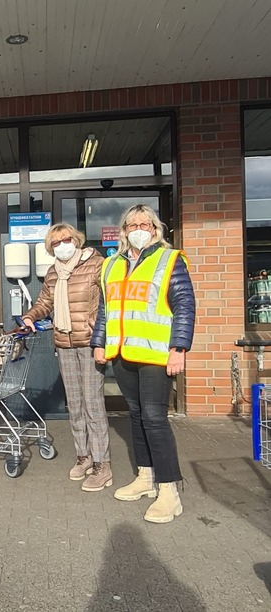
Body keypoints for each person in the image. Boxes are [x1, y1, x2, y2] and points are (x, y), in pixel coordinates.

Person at [91, 204, 195, 523]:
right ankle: (146, 478)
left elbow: (185, 305)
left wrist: (179, 348)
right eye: (132, 224)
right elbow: (105, 310)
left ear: (155, 229)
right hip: (123, 354)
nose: (138, 228)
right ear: (123, 231)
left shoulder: (170, 260)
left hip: (156, 355)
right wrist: (99, 342)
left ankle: (169, 491)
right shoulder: (110, 266)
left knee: (154, 418)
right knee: (135, 416)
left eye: (145, 223)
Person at [20, 223, 112, 492]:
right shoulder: (53, 273)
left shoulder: (97, 265)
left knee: (93, 404)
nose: (62, 245)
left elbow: (108, 303)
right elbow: (44, 303)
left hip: (90, 342)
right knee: (75, 403)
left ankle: (102, 464)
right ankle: (83, 457)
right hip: (64, 342)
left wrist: (102, 338)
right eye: (56, 242)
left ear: (77, 240)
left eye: (66, 239)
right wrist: (29, 316)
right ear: (50, 248)